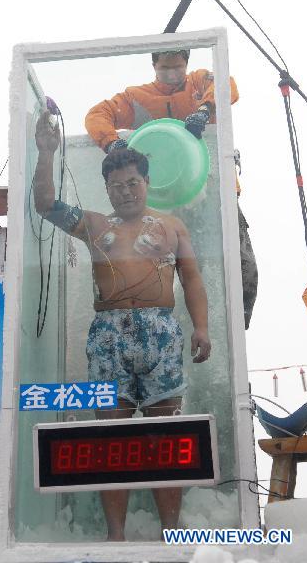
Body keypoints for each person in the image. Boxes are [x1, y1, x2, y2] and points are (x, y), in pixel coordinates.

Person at [34, 111, 211, 541]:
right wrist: (45, 152)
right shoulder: (95, 224)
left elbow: (191, 279)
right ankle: (116, 537)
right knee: (110, 441)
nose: (125, 191)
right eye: (116, 185)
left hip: (161, 335)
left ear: (147, 182)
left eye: (132, 182)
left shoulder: (171, 226)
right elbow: (44, 205)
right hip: (108, 336)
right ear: (107, 189)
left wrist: (201, 328)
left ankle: (172, 533)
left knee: (166, 440)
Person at [85, 49, 258, 329]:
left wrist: (204, 109)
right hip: (173, 201)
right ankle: (184, 335)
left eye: (178, 67)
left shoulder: (200, 83)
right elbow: (97, 115)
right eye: (165, 68)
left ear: (186, 64)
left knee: (242, 263)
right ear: (154, 65)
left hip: (215, 191)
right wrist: (112, 144)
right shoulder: (138, 98)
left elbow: (228, 85)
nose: (172, 74)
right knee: (190, 268)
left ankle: (238, 330)